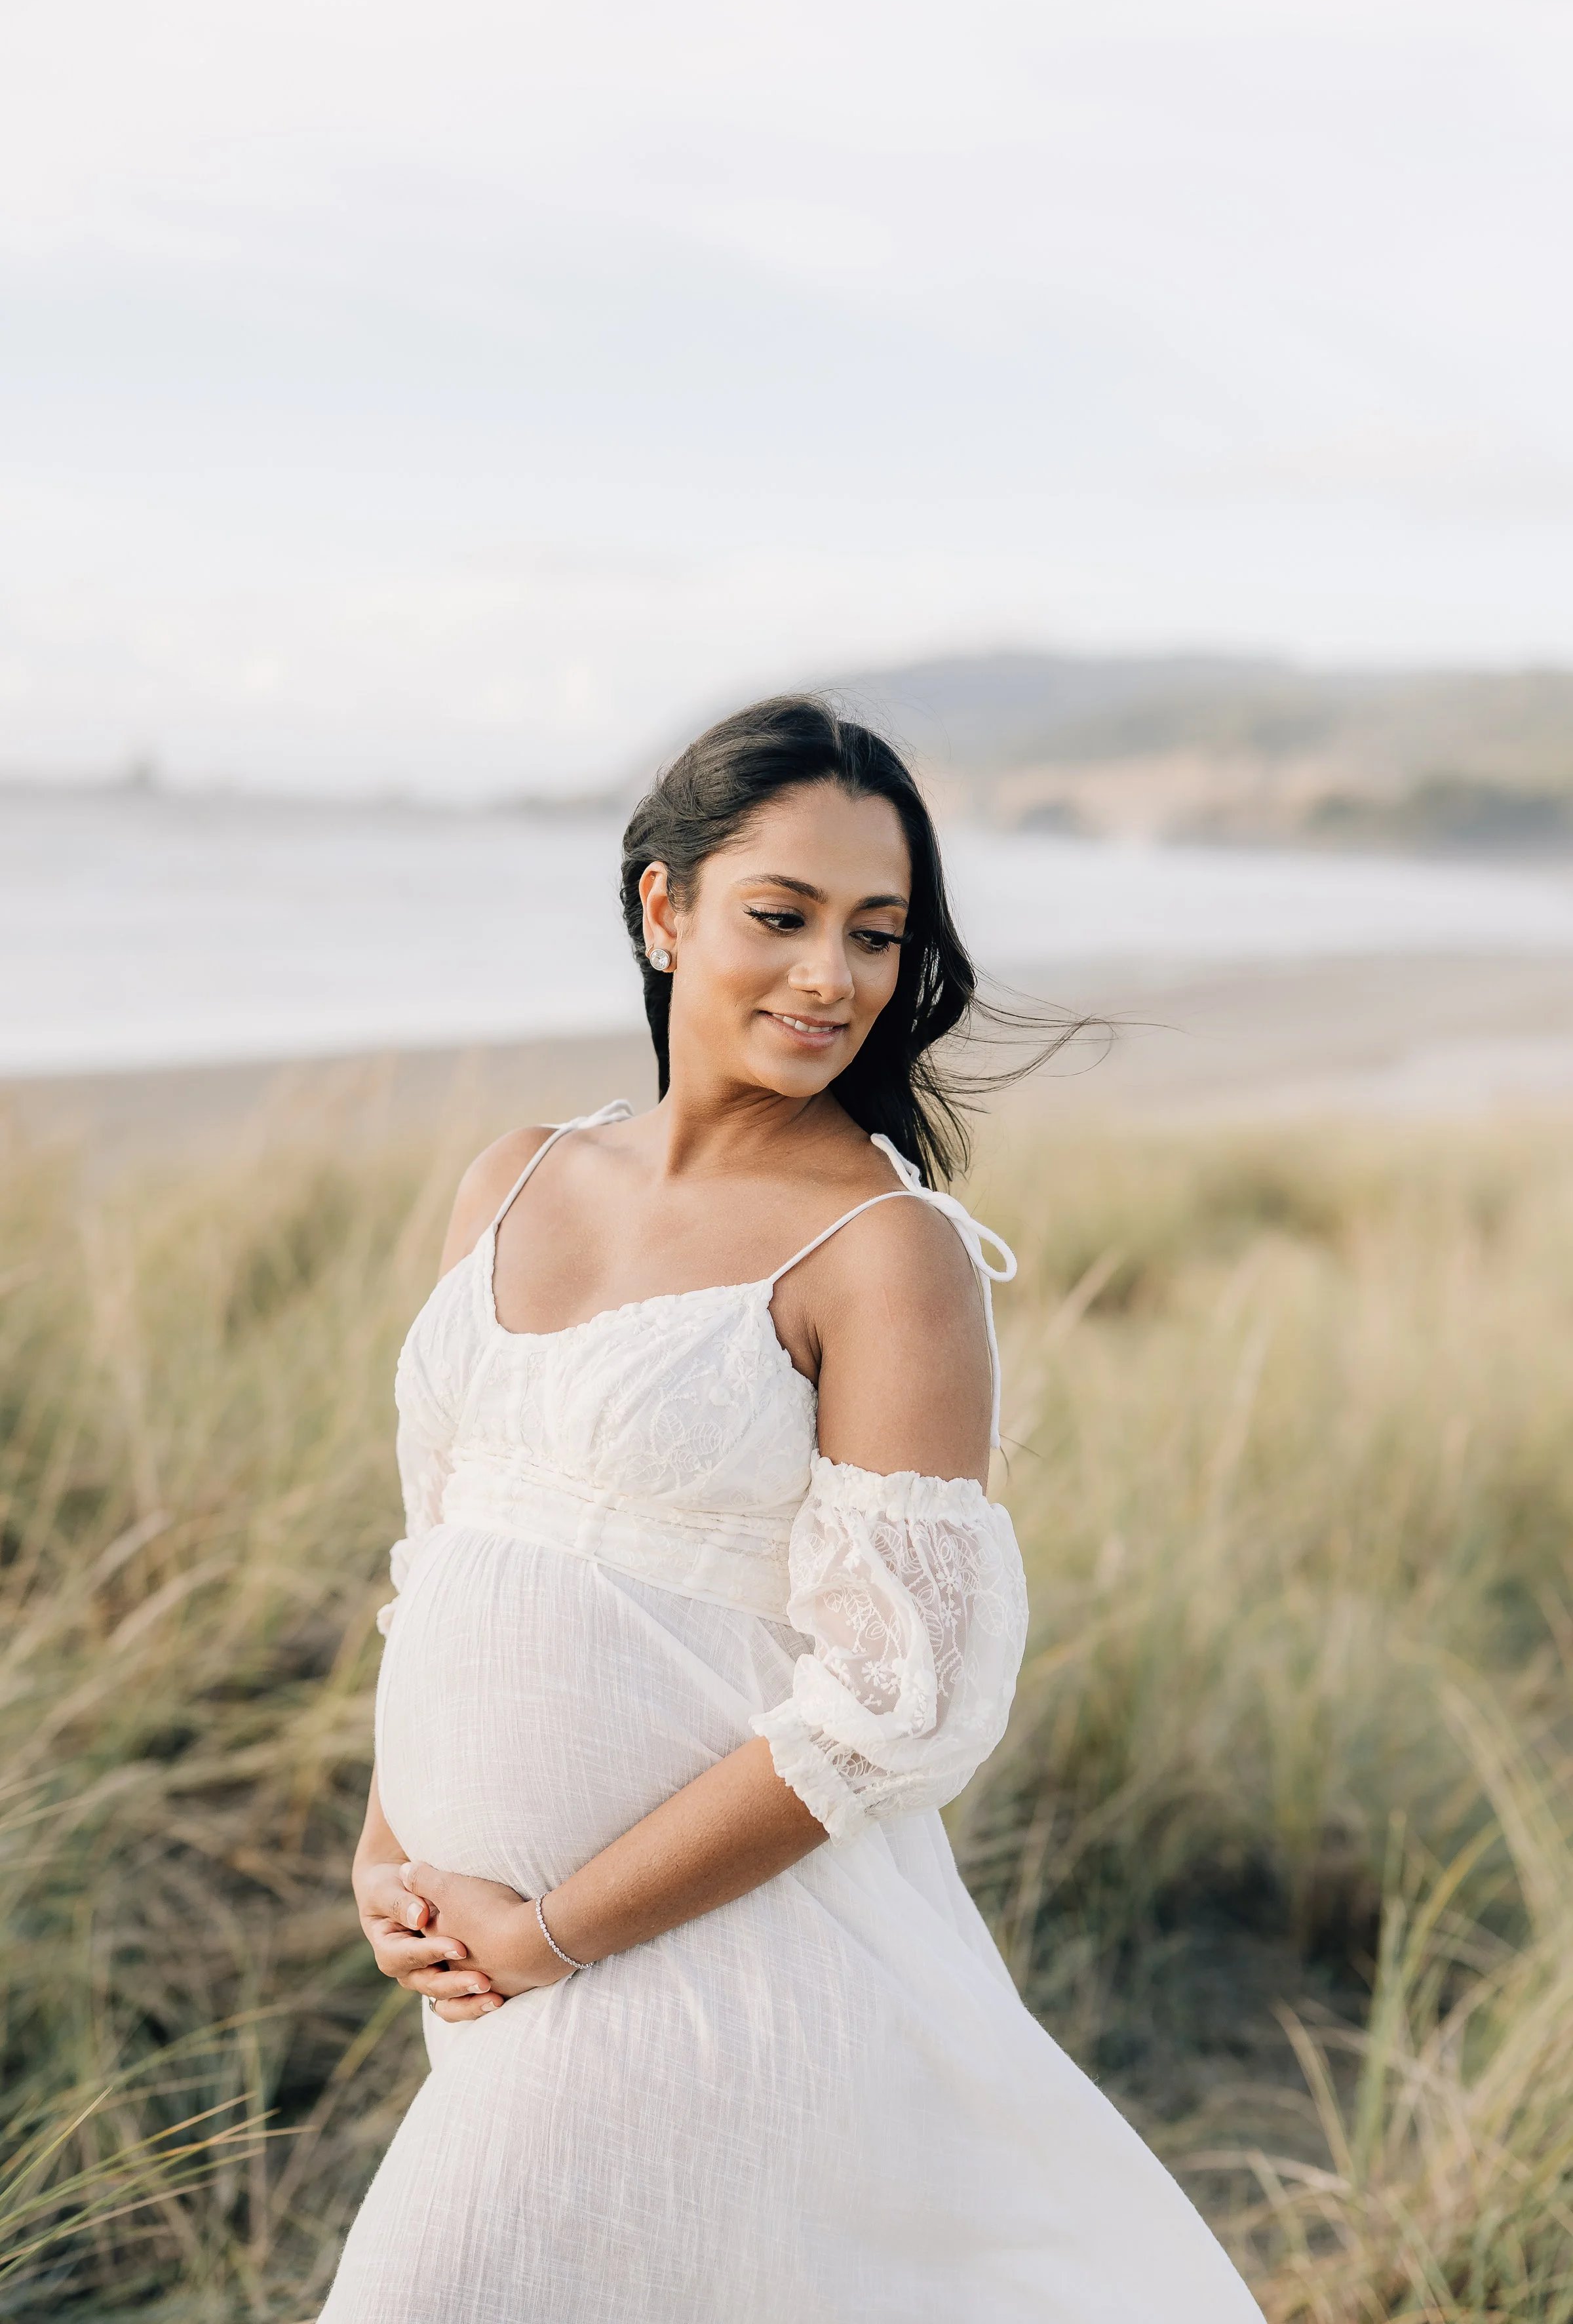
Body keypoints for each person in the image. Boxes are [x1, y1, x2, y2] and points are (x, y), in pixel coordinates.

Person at [320, 698, 1263, 2321]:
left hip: (714, 1963)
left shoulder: (881, 1253)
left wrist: (555, 1930)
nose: (834, 977)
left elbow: (903, 1700)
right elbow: (450, 1546)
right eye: (784, 916)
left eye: (878, 935)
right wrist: (390, 1843)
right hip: (489, 1969)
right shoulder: (516, 1176)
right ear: (663, 908)